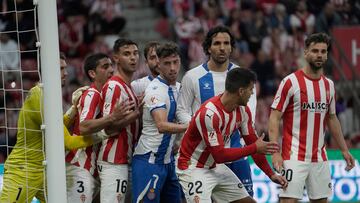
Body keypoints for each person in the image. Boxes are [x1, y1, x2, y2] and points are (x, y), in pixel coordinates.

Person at [0, 53, 113, 203]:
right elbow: (69, 142)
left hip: (44, 172)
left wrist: (74, 109)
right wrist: (104, 133)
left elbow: (55, 126)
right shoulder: (39, 96)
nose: (66, 73)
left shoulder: (49, 94)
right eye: (60, 69)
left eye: (65, 68)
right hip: (23, 171)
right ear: (46, 70)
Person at [176, 68, 287, 203]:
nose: (252, 93)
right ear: (241, 91)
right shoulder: (209, 114)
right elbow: (221, 155)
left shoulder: (243, 110)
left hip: (214, 166)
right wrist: (254, 148)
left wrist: (271, 174)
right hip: (192, 167)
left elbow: (253, 143)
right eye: (250, 89)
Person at [269, 32, 355, 203]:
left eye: (323, 52)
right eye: (315, 51)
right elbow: (274, 117)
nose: (319, 55)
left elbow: (332, 118)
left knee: (321, 201)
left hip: (319, 157)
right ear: (306, 52)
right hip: (292, 156)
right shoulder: (290, 82)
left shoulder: (329, 85)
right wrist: (275, 152)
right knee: (288, 201)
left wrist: (344, 149)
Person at [176, 25, 257, 196]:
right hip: (203, 152)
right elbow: (182, 110)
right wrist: (197, 127)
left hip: (236, 149)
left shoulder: (242, 76)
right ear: (208, 47)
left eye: (226, 43)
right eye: (217, 43)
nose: (222, 48)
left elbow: (250, 111)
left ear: (231, 47)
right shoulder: (192, 76)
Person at [65, 53, 133, 203]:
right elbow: (83, 127)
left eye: (111, 66)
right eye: (105, 66)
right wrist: (112, 117)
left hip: (91, 167)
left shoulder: (104, 94)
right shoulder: (92, 94)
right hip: (80, 164)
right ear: (92, 73)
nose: (111, 70)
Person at [132, 42, 187, 203]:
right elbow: (162, 125)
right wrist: (191, 127)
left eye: (175, 62)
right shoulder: (155, 90)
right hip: (149, 161)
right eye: (167, 63)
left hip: (169, 162)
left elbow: (183, 116)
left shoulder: (179, 87)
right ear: (159, 64)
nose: (172, 68)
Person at [97, 38, 142, 203]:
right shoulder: (114, 86)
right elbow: (109, 128)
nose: (133, 58)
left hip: (125, 160)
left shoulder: (127, 87)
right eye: (127, 54)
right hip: (113, 161)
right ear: (116, 58)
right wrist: (137, 114)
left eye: (135, 53)